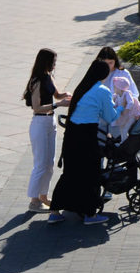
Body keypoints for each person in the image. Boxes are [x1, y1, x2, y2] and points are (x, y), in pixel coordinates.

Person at [47, 60, 119, 225]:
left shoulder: (82, 87)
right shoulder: (102, 90)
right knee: (91, 174)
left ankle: (55, 211)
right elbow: (111, 117)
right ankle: (90, 214)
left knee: (70, 172)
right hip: (87, 136)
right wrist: (119, 107)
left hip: (72, 134)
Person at [24, 48, 71, 212]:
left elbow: (57, 95)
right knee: (40, 164)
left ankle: (43, 196)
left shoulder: (48, 76)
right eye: (53, 62)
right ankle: (34, 201)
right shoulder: (36, 81)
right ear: (46, 62)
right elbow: (36, 107)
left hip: (49, 122)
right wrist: (58, 105)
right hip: (39, 123)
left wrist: (69, 95)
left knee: (49, 164)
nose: (54, 65)